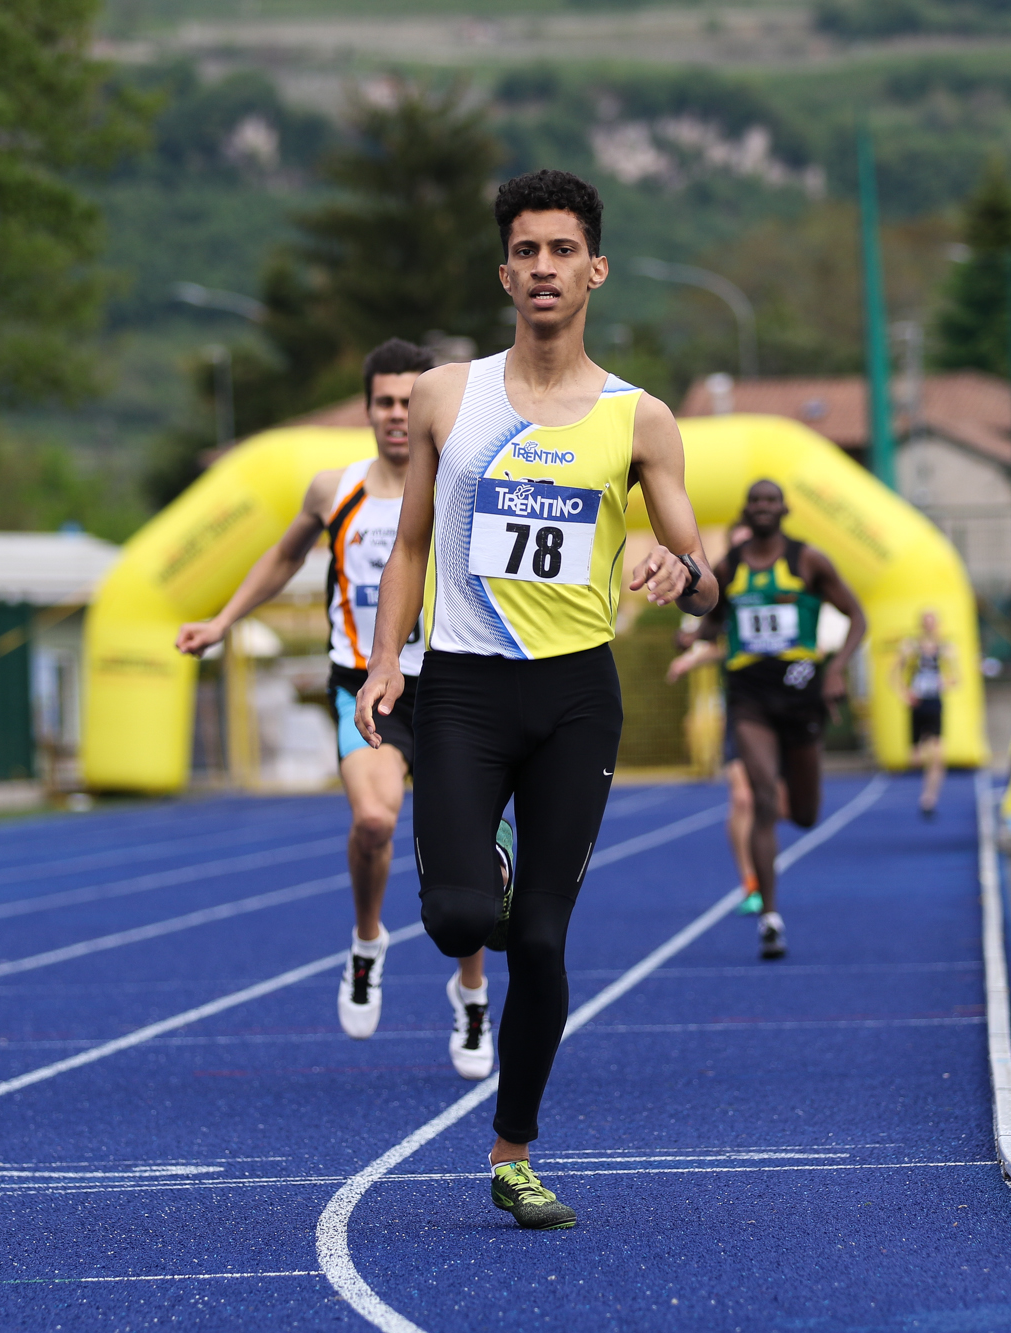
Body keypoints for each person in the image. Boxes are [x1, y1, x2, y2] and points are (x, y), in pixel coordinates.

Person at [354, 169, 716, 1231]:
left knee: (543, 945)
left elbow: (703, 574)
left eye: (562, 250)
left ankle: (513, 1152)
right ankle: (489, 867)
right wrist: (384, 662)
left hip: (573, 700)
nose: (543, 268)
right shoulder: (445, 396)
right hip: (462, 689)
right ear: (503, 273)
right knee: (460, 918)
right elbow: (409, 545)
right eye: (526, 251)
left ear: (595, 269)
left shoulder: (640, 419)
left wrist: (675, 568)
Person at [176, 338, 508, 1083]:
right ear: (367, 409)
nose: (396, 414)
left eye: (407, 401)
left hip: (454, 686)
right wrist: (223, 620)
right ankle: (367, 943)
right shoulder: (335, 489)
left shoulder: (463, 483)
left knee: (463, 848)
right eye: (384, 401)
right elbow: (284, 556)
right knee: (375, 821)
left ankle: (471, 993)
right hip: (365, 685)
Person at [691, 479, 866, 960]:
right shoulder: (730, 567)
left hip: (801, 696)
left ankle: (785, 814)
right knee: (762, 798)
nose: (763, 507)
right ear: (746, 511)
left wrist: (836, 669)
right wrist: (693, 638)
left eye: (771, 501)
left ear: (784, 509)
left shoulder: (808, 561)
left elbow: (858, 617)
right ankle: (770, 917)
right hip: (749, 698)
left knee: (805, 814)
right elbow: (714, 618)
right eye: (755, 501)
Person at [666, 522, 784, 916]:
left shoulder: (781, 588)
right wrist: (690, 653)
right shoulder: (726, 594)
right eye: (737, 546)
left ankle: (764, 866)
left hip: (781, 703)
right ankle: (750, 883)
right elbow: (715, 642)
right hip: (741, 705)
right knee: (742, 798)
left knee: (777, 802)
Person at [896, 610, 958, 819]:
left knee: (938, 756)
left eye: (933, 622)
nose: (930, 626)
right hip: (917, 705)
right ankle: (926, 788)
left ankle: (929, 798)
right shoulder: (910, 647)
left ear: (937, 625)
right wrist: (905, 693)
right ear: (921, 625)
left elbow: (956, 678)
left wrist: (945, 682)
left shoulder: (946, 648)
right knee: (915, 758)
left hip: (934, 704)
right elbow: (895, 674)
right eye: (926, 622)